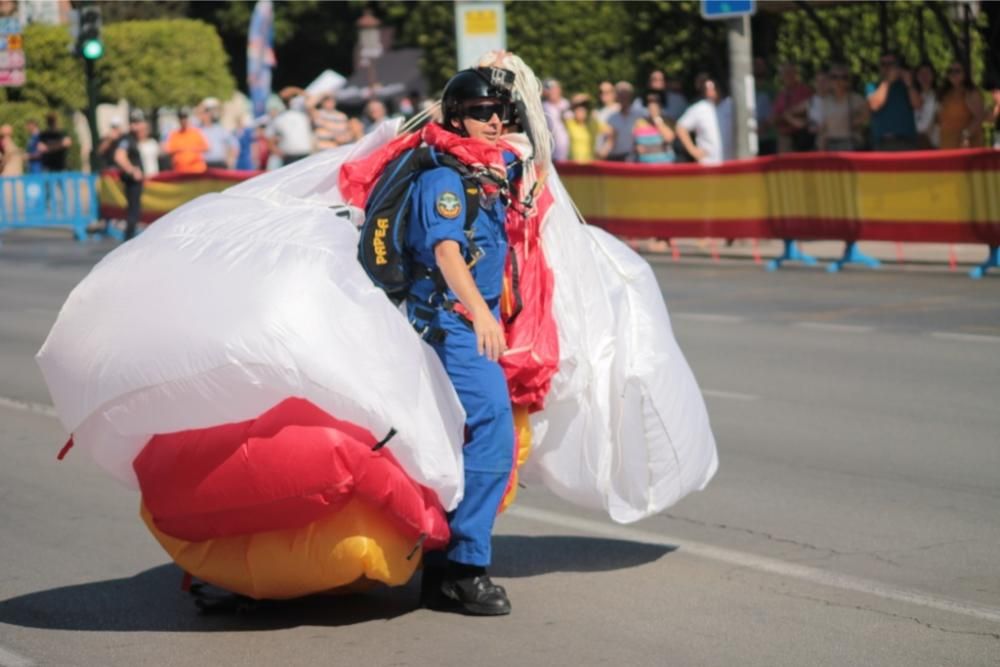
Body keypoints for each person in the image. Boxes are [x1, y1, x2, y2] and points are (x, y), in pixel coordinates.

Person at [398, 65, 523, 617]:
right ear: (454, 117)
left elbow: (537, 148)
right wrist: (481, 315)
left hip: (472, 320)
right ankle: (466, 566)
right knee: (492, 424)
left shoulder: (490, 168)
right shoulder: (444, 178)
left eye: (500, 111)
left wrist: (514, 71)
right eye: (480, 111)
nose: (494, 120)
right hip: (454, 323)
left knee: (453, 438)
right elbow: (447, 252)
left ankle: (440, 565)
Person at [866, 52, 920, 151]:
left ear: (898, 66)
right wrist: (887, 81)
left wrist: (909, 84)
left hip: (907, 143)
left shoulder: (906, 86)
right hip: (882, 144)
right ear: (879, 67)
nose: (887, 67)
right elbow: (874, 105)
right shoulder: (872, 86)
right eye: (883, 64)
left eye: (891, 64)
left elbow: (917, 105)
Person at [114, 110, 149, 241]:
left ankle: (129, 240)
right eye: (135, 122)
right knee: (133, 214)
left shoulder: (133, 139)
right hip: (132, 182)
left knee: (135, 212)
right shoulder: (127, 139)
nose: (138, 126)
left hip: (135, 182)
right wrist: (132, 170)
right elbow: (119, 156)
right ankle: (127, 242)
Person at [675, 73, 724, 166]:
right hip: (708, 164)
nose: (711, 92)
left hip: (731, 162)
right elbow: (680, 127)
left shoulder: (730, 105)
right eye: (707, 89)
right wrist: (693, 150)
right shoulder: (699, 108)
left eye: (713, 88)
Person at [817, 64, 868, 152]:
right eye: (834, 77)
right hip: (829, 144)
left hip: (850, 143)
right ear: (829, 80)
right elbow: (823, 126)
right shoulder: (824, 100)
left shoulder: (856, 99)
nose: (838, 81)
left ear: (848, 81)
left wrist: (856, 122)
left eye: (844, 77)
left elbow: (867, 116)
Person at [936, 60, 985, 149]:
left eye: (957, 71)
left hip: (964, 144)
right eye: (950, 71)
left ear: (965, 74)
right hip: (946, 143)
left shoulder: (970, 92)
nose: (953, 74)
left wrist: (966, 135)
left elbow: (979, 116)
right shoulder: (945, 92)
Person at [772, 63, 813, 153]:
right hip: (785, 137)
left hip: (802, 137)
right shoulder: (780, 95)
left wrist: (787, 115)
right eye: (785, 73)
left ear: (796, 74)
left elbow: (809, 113)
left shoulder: (805, 91)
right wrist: (786, 116)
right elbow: (775, 118)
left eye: (790, 73)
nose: (788, 76)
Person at [601, 81, 644, 161]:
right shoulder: (611, 117)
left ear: (630, 96)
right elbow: (609, 140)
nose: (624, 97)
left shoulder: (639, 115)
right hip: (614, 157)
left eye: (626, 94)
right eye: (621, 94)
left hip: (633, 158)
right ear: (617, 96)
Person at [632, 93, 675, 163]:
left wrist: (657, 120)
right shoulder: (639, 122)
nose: (652, 109)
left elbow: (669, 138)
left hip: (665, 163)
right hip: (645, 164)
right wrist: (636, 148)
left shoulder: (667, 121)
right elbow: (633, 143)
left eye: (655, 107)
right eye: (650, 107)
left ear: (660, 108)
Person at [164, 108, 209, 173]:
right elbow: (168, 150)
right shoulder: (174, 134)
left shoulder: (195, 133)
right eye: (181, 119)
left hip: (196, 169)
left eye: (184, 119)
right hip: (180, 169)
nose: (183, 121)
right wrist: (180, 149)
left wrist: (192, 148)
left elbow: (206, 147)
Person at [564, 93, 606, 163]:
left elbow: (613, 133)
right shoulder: (569, 123)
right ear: (573, 110)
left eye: (583, 109)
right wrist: (575, 101)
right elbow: (560, 113)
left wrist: (604, 151)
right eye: (577, 108)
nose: (580, 111)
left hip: (590, 165)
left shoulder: (594, 123)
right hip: (572, 164)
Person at [198, 99, 238, 169]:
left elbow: (234, 144)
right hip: (203, 164)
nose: (205, 114)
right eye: (204, 112)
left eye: (207, 112)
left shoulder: (220, 129)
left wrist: (231, 160)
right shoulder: (198, 130)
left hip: (219, 164)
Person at [542, 78, 570, 161]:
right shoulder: (543, 106)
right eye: (549, 89)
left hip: (569, 150)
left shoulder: (567, 104)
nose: (552, 92)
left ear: (559, 89)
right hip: (551, 151)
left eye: (554, 88)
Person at [913, 62, 939, 148]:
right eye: (921, 73)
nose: (924, 76)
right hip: (914, 142)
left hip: (933, 143)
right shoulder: (911, 96)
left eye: (928, 73)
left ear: (933, 75)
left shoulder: (939, 95)